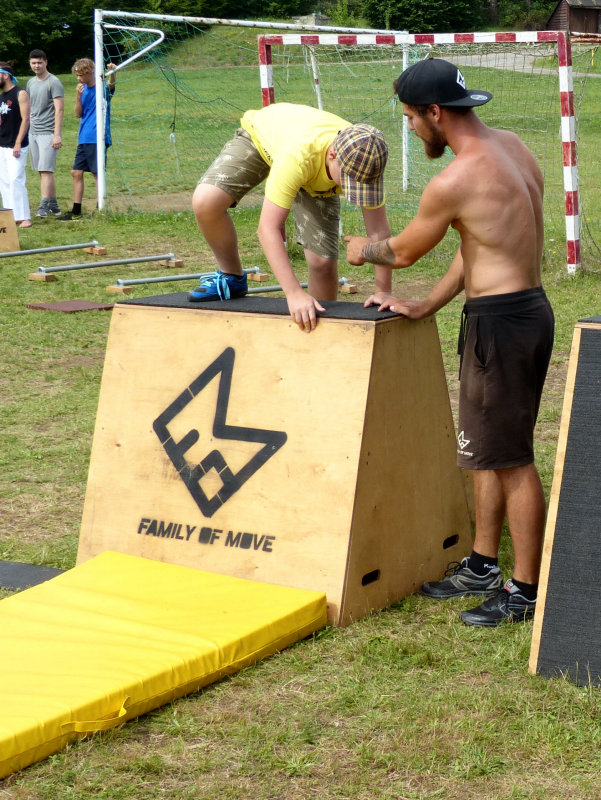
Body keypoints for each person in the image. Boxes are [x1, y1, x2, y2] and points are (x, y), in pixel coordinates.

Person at [345, 58, 555, 627]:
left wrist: (362, 249)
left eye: (411, 119)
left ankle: (525, 591)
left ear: (435, 113)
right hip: (524, 313)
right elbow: (477, 246)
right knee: (486, 447)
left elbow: (402, 251)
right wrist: (425, 305)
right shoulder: (513, 148)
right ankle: (484, 564)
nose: (412, 129)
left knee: (513, 459)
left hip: (501, 327)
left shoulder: (455, 179)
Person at [189, 102, 392, 332]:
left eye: (361, 185)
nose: (352, 189)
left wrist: (383, 291)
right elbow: (268, 228)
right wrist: (294, 293)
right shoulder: (298, 156)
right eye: (349, 181)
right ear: (333, 155)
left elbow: (378, 231)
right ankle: (231, 277)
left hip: (314, 171)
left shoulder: (366, 158)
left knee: (322, 262)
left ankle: (319, 334)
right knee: (206, 201)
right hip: (263, 138)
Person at [58, 58, 116, 221]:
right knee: (76, 172)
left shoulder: (102, 88)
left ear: (91, 73)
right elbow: (78, 114)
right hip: (84, 137)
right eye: (77, 75)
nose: (79, 79)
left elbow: (111, 86)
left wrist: (113, 73)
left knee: (97, 174)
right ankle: (76, 211)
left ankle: (100, 208)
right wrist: (78, 96)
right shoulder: (82, 90)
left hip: (97, 137)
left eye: (81, 75)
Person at [26, 49, 64, 218]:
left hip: (48, 132)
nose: (37, 66)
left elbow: (59, 109)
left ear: (46, 62)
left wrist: (57, 135)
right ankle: (54, 205)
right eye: (34, 63)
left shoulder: (53, 82)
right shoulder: (30, 83)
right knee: (42, 170)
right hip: (33, 132)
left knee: (46, 170)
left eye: (40, 62)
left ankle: (43, 206)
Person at [0, 62, 31, 228]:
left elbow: (26, 119)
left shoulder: (20, 93)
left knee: (16, 179)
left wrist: (18, 142)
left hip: (16, 144)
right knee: (4, 181)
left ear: (5, 75)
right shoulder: (1, 97)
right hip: (2, 144)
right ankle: (10, 215)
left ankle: (24, 216)